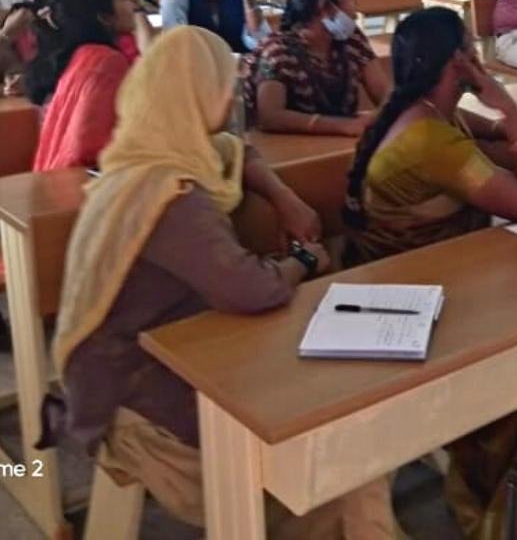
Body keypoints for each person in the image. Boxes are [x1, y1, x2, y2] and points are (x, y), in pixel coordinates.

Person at [43, 27, 393, 538]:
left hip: (117, 380)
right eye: (221, 86)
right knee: (348, 455)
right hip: (146, 415)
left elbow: (235, 148)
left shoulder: (134, 163)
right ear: (196, 96)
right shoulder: (171, 197)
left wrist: (281, 196)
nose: (231, 98)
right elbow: (254, 291)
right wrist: (302, 260)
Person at [343, 6, 517, 536]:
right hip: (419, 300)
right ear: (458, 60)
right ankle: (512, 511)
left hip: (430, 277)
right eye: (470, 50)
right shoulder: (428, 139)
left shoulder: (428, 114)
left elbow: (502, 154)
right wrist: (506, 102)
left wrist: (504, 124)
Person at [246, 0, 389, 135]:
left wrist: (376, 116)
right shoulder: (278, 50)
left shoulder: (352, 40)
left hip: (340, 146)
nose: (355, 5)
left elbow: (386, 97)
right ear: (325, 7)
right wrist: (341, 126)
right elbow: (269, 116)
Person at [29, 0, 138, 171]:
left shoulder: (83, 53)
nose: (132, 1)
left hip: (52, 178)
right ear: (104, 17)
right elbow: (89, 147)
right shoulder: (107, 61)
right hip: (74, 187)